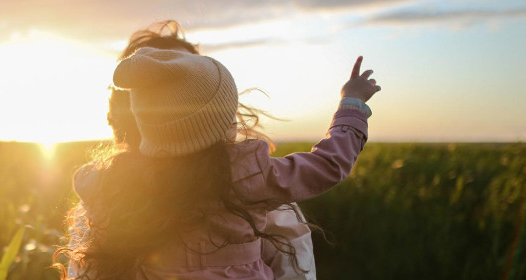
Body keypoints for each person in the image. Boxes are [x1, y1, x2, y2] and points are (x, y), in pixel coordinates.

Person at [55, 21, 380, 280]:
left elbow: (85, 185)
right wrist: (351, 106)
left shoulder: (108, 189)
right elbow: (328, 165)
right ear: (225, 114)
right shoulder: (253, 178)